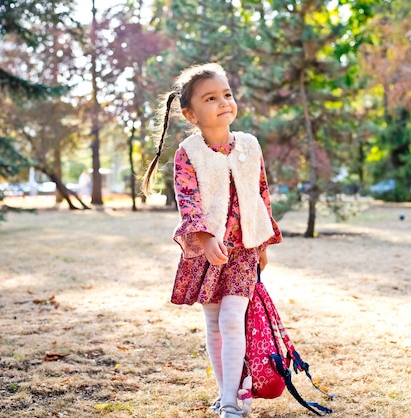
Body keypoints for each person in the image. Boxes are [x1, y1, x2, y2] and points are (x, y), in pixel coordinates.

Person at [141, 63, 282, 418]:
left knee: (234, 319)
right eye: (210, 98)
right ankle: (227, 393)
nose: (223, 102)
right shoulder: (189, 153)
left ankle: (232, 403)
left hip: (243, 250)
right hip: (209, 252)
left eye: (227, 94)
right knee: (215, 324)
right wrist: (203, 239)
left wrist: (262, 245)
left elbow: (260, 194)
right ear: (190, 114)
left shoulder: (250, 146)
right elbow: (188, 201)